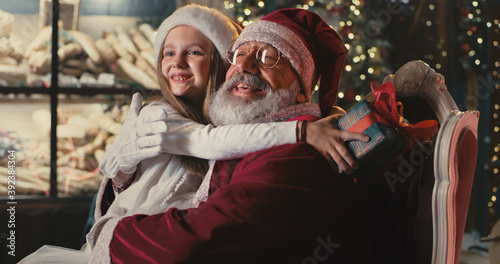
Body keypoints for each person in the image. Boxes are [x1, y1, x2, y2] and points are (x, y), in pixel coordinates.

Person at [90, 8, 374, 263]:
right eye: (239, 54)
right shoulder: (215, 123)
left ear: (302, 89)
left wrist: (112, 234)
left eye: (268, 56)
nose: (245, 66)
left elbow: (201, 238)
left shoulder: (297, 153)